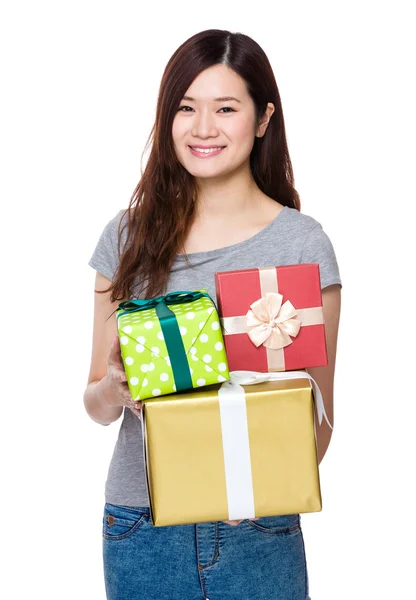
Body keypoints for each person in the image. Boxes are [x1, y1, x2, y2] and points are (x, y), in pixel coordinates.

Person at [84, 28, 342, 600]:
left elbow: (319, 418)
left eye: (225, 108)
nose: (203, 129)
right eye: (186, 108)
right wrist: (115, 387)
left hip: (258, 528)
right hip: (140, 524)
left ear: (262, 118)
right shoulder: (125, 237)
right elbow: (94, 402)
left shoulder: (302, 246)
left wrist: (256, 487)